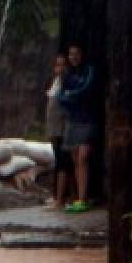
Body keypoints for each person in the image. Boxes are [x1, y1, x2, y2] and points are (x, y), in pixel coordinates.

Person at [58, 44, 97, 213]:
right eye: (71, 54)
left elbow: (86, 89)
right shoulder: (67, 74)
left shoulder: (89, 70)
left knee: (83, 157)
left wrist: (71, 94)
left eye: (77, 54)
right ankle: (79, 197)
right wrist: (70, 95)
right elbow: (60, 96)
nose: (74, 57)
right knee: (75, 159)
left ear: (82, 55)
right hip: (72, 118)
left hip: (87, 118)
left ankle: (83, 197)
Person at [44, 53, 73, 209]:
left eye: (62, 65)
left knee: (63, 162)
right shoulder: (56, 82)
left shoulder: (67, 83)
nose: (59, 68)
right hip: (54, 128)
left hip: (62, 128)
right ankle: (57, 195)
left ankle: (61, 199)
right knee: (58, 161)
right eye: (57, 65)